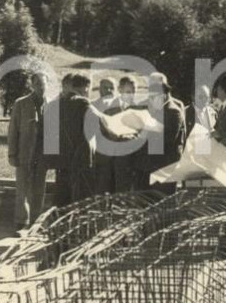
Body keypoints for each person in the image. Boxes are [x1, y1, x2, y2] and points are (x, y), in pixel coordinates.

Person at [58, 72, 135, 206]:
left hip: (64, 157)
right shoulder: (83, 103)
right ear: (86, 87)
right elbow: (102, 121)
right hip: (82, 158)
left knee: (65, 196)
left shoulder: (61, 103)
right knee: (82, 196)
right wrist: (122, 135)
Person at [7, 72, 50, 230]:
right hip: (24, 153)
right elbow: (13, 130)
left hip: (43, 155)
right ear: (32, 85)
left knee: (39, 190)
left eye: (43, 84)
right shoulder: (21, 103)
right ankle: (21, 223)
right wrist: (12, 153)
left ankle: (36, 224)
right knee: (22, 190)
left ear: (48, 85)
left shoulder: (52, 105)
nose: (41, 87)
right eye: (37, 84)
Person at [134, 72, 187, 195]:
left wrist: (145, 132)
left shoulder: (173, 111)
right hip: (147, 165)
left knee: (162, 200)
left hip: (164, 165)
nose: (151, 99)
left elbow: (168, 139)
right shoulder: (154, 108)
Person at [43, 74, 73, 207]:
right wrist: (53, 159)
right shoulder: (54, 106)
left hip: (77, 157)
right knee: (62, 192)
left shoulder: (79, 103)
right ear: (64, 86)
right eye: (72, 86)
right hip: (62, 158)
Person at [113, 75, 144, 192]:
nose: (131, 95)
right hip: (113, 157)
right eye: (128, 92)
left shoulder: (140, 108)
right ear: (119, 90)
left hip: (134, 158)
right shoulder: (109, 107)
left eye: (134, 92)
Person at [92, 77, 121, 194]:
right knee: (100, 188)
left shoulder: (123, 106)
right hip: (100, 156)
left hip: (119, 155)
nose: (108, 90)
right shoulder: (92, 106)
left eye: (111, 88)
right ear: (99, 89)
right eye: (105, 88)